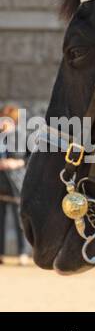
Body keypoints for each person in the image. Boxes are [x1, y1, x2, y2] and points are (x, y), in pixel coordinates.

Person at [0, 105, 29, 265]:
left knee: (19, 221)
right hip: (0, 182)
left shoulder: (22, 137)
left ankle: (23, 253)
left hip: (16, 184)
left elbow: (30, 158)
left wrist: (16, 162)